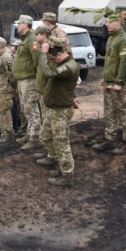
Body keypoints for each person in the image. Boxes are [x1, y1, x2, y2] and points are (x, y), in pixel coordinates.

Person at [35, 36, 80, 188]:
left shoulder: (70, 66)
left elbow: (50, 73)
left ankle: (67, 175)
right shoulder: (63, 63)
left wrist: (43, 54)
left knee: (61, 142)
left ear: (60, 55)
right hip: (54, 108)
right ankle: (57, 161)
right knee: (44, 136)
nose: (53, 61)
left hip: (61, 110)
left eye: (53, 59)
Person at [93, 17, 126, 155]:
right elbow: (108, 60)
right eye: (106, 21)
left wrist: (120, 82)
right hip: (109, 81)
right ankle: (109, 138)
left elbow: (125, 63)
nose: (107, 24)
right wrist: (104, 77)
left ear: (119, 22)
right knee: (109, 110)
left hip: (118, 83)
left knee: (123, 110)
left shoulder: (124, 40)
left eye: (110, 21)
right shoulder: (111, 38)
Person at [12, 14, 43, 150]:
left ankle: (36, 137)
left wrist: (39, 80)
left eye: (20, 24)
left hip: (30, 79)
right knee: (25, 108)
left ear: (25, 24)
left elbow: (38, 60)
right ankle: (30, 133)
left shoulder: (32, 40)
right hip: (22, 80)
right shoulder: (25, 40)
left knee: (31, 108)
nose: (18, 26)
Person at [0, 37, 16, 143]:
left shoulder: (6, 57)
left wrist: (13, 87)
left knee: (5, 112)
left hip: (5, 89)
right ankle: (4, 132)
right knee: (0, 112)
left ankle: (8, 134)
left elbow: (12, 75)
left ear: (0, 45)